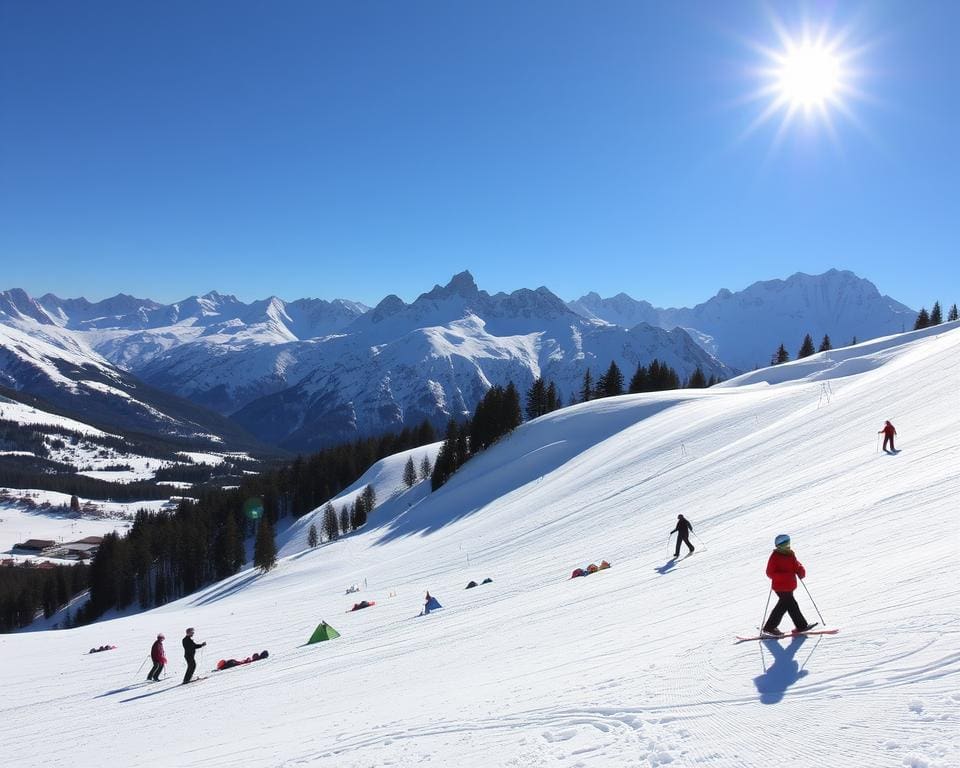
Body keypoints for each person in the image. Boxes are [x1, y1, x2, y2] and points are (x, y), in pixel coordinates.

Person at [762, 535, 816, 637]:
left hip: (789, 586)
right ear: (779, 546)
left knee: (785, 606)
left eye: (788, 543)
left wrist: (800, 570)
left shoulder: (790, 554)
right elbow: (770, 573)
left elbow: (796, 564)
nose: (788, 546)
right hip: (780, 586)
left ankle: (770, 627)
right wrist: (786, 576)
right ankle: (799, 626)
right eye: (785, 544)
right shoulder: (775, 556)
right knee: (790, 605)